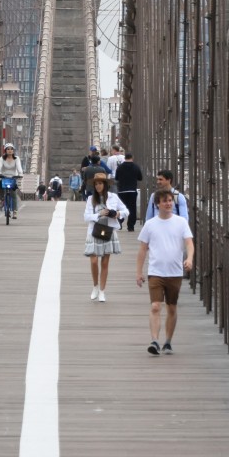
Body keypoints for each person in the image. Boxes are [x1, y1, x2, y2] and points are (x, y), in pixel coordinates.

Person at [135, 188, 194, 355]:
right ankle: (154, 340)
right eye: (165, 201)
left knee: (172, 308)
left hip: (174, 272)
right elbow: (142, 250)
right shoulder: (150, 224)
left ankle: (168, 341)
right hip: (156, 271)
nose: (168, 204)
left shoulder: (181, 222)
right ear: (157, 204)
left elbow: (189, 243)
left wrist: (189, 258)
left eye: (170, 201)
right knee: (155, 306)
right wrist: (138, 272)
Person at [83, 172, 130, 302]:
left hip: (108, 231)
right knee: (93, 261)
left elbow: (126, 211)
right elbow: (86, 217)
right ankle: (95, 286)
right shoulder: (90, 199)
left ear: (105, 184)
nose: (98, 186)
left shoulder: (113, 197)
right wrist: (99, 214)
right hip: (94, 231)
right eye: (96, 184)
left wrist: (117, 214)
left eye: (100, 183)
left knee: (105, 262)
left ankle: (102, 291)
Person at [114, 151, 144, 232]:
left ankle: (119, 222)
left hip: (121, 191)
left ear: (125, 158)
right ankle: (130, 226)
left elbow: (116, 178)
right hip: (132, 191)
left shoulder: (120, 167)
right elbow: (140, 178)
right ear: (132, 157)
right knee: (132, 208)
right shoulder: (136, 167)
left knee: (121, 208)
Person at [0, 143, 24, 217]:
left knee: (13, 194)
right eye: (8, 149)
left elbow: (19, 167)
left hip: (13, 177)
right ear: (5, 150)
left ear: (13, 150)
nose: (10, 150)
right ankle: (2, 198)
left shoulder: (16, 158)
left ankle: (14, 211)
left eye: (11, 149)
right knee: (0, 186)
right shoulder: (2, 159)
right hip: (4, 177)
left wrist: (20, 174)